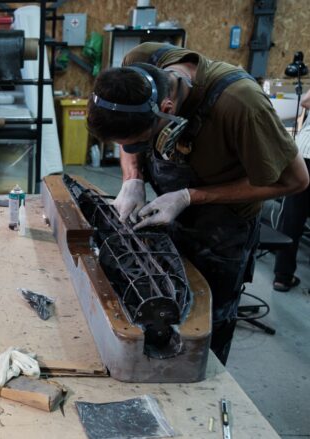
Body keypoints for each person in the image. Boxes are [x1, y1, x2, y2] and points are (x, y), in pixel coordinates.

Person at [87, 42, 309, 364]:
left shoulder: (241, 104)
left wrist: (189, 196)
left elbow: (295, 181)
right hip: (171, 215)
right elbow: (128, 130)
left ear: (167, 108)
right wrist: (132, 177)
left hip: (223, 231)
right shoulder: (138, 67)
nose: (134, 149)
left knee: (201, 334)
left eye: (140, 143)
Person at [273, 88, 310, 291]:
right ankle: (283, 275)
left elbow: (306, 100)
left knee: (292, 219)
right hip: (305, 156)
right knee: (292, 219)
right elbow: (305, 101)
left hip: (305, 156)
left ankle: (283, 276)